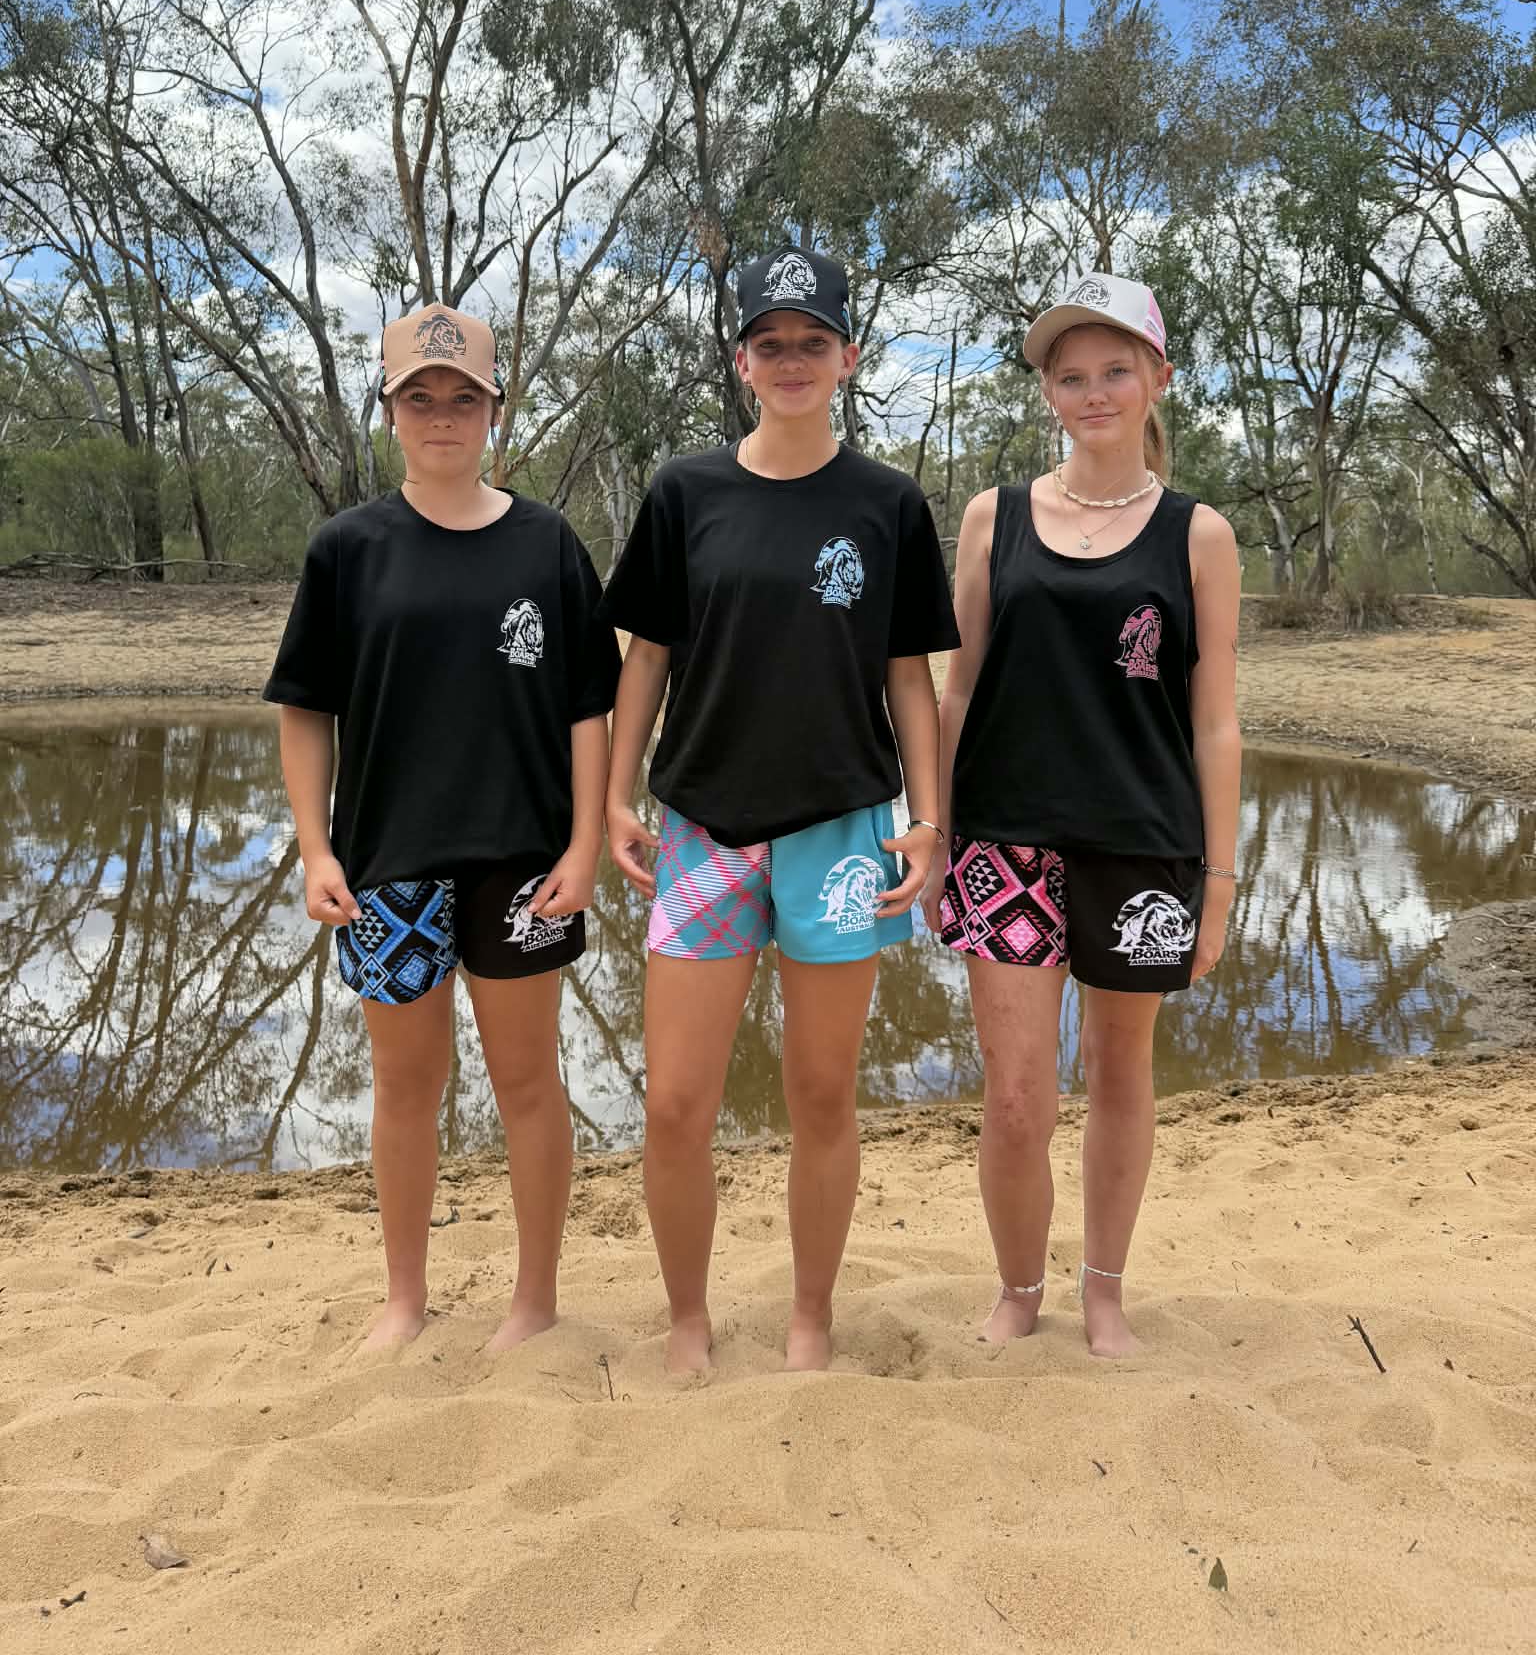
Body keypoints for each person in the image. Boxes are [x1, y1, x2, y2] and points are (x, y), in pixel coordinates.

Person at [603, 246, 960, 1373]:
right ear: (742, 358)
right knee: (675, 1103)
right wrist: (616, 793)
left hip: (844, 831)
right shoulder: (685, 491)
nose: (792, 359)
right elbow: (647, 653)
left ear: (849, 356)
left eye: (814, 341)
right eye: (772, 342)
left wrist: (930, 818)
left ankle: (811, 1319)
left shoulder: (889, 503)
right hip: (704, 824)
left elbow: (911, 674)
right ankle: (687, 1319)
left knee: (821, 1093)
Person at [264, 306, 620, 1352]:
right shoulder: (347, 550)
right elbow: (304, 709)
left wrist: (585, 843)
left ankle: (536, 1294)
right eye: (420, 397)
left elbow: (587, 711)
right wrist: (316, 847)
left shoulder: (548, 543)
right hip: (387, 862)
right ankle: (406, 1295)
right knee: (404, 1088)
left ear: (495, 410)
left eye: (463, 397)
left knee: (526, 1081)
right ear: (390, 411)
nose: (442, 416)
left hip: (524, 861)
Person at [921, 272, 1241, 1358]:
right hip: (1003, 840)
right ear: (1048, 391)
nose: (1094, 391)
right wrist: (934, 834)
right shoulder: (991, 517)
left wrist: (1222, 883)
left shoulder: (1199, 534)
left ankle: (1104, 1290)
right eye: (1071, 374)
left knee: (1119, 1072)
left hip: (1144, 842)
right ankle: (1020, 1287)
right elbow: (954, 688)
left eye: (1115, 369)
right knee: (1015, 1097)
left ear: (1158, 378)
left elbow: (1215, 722)